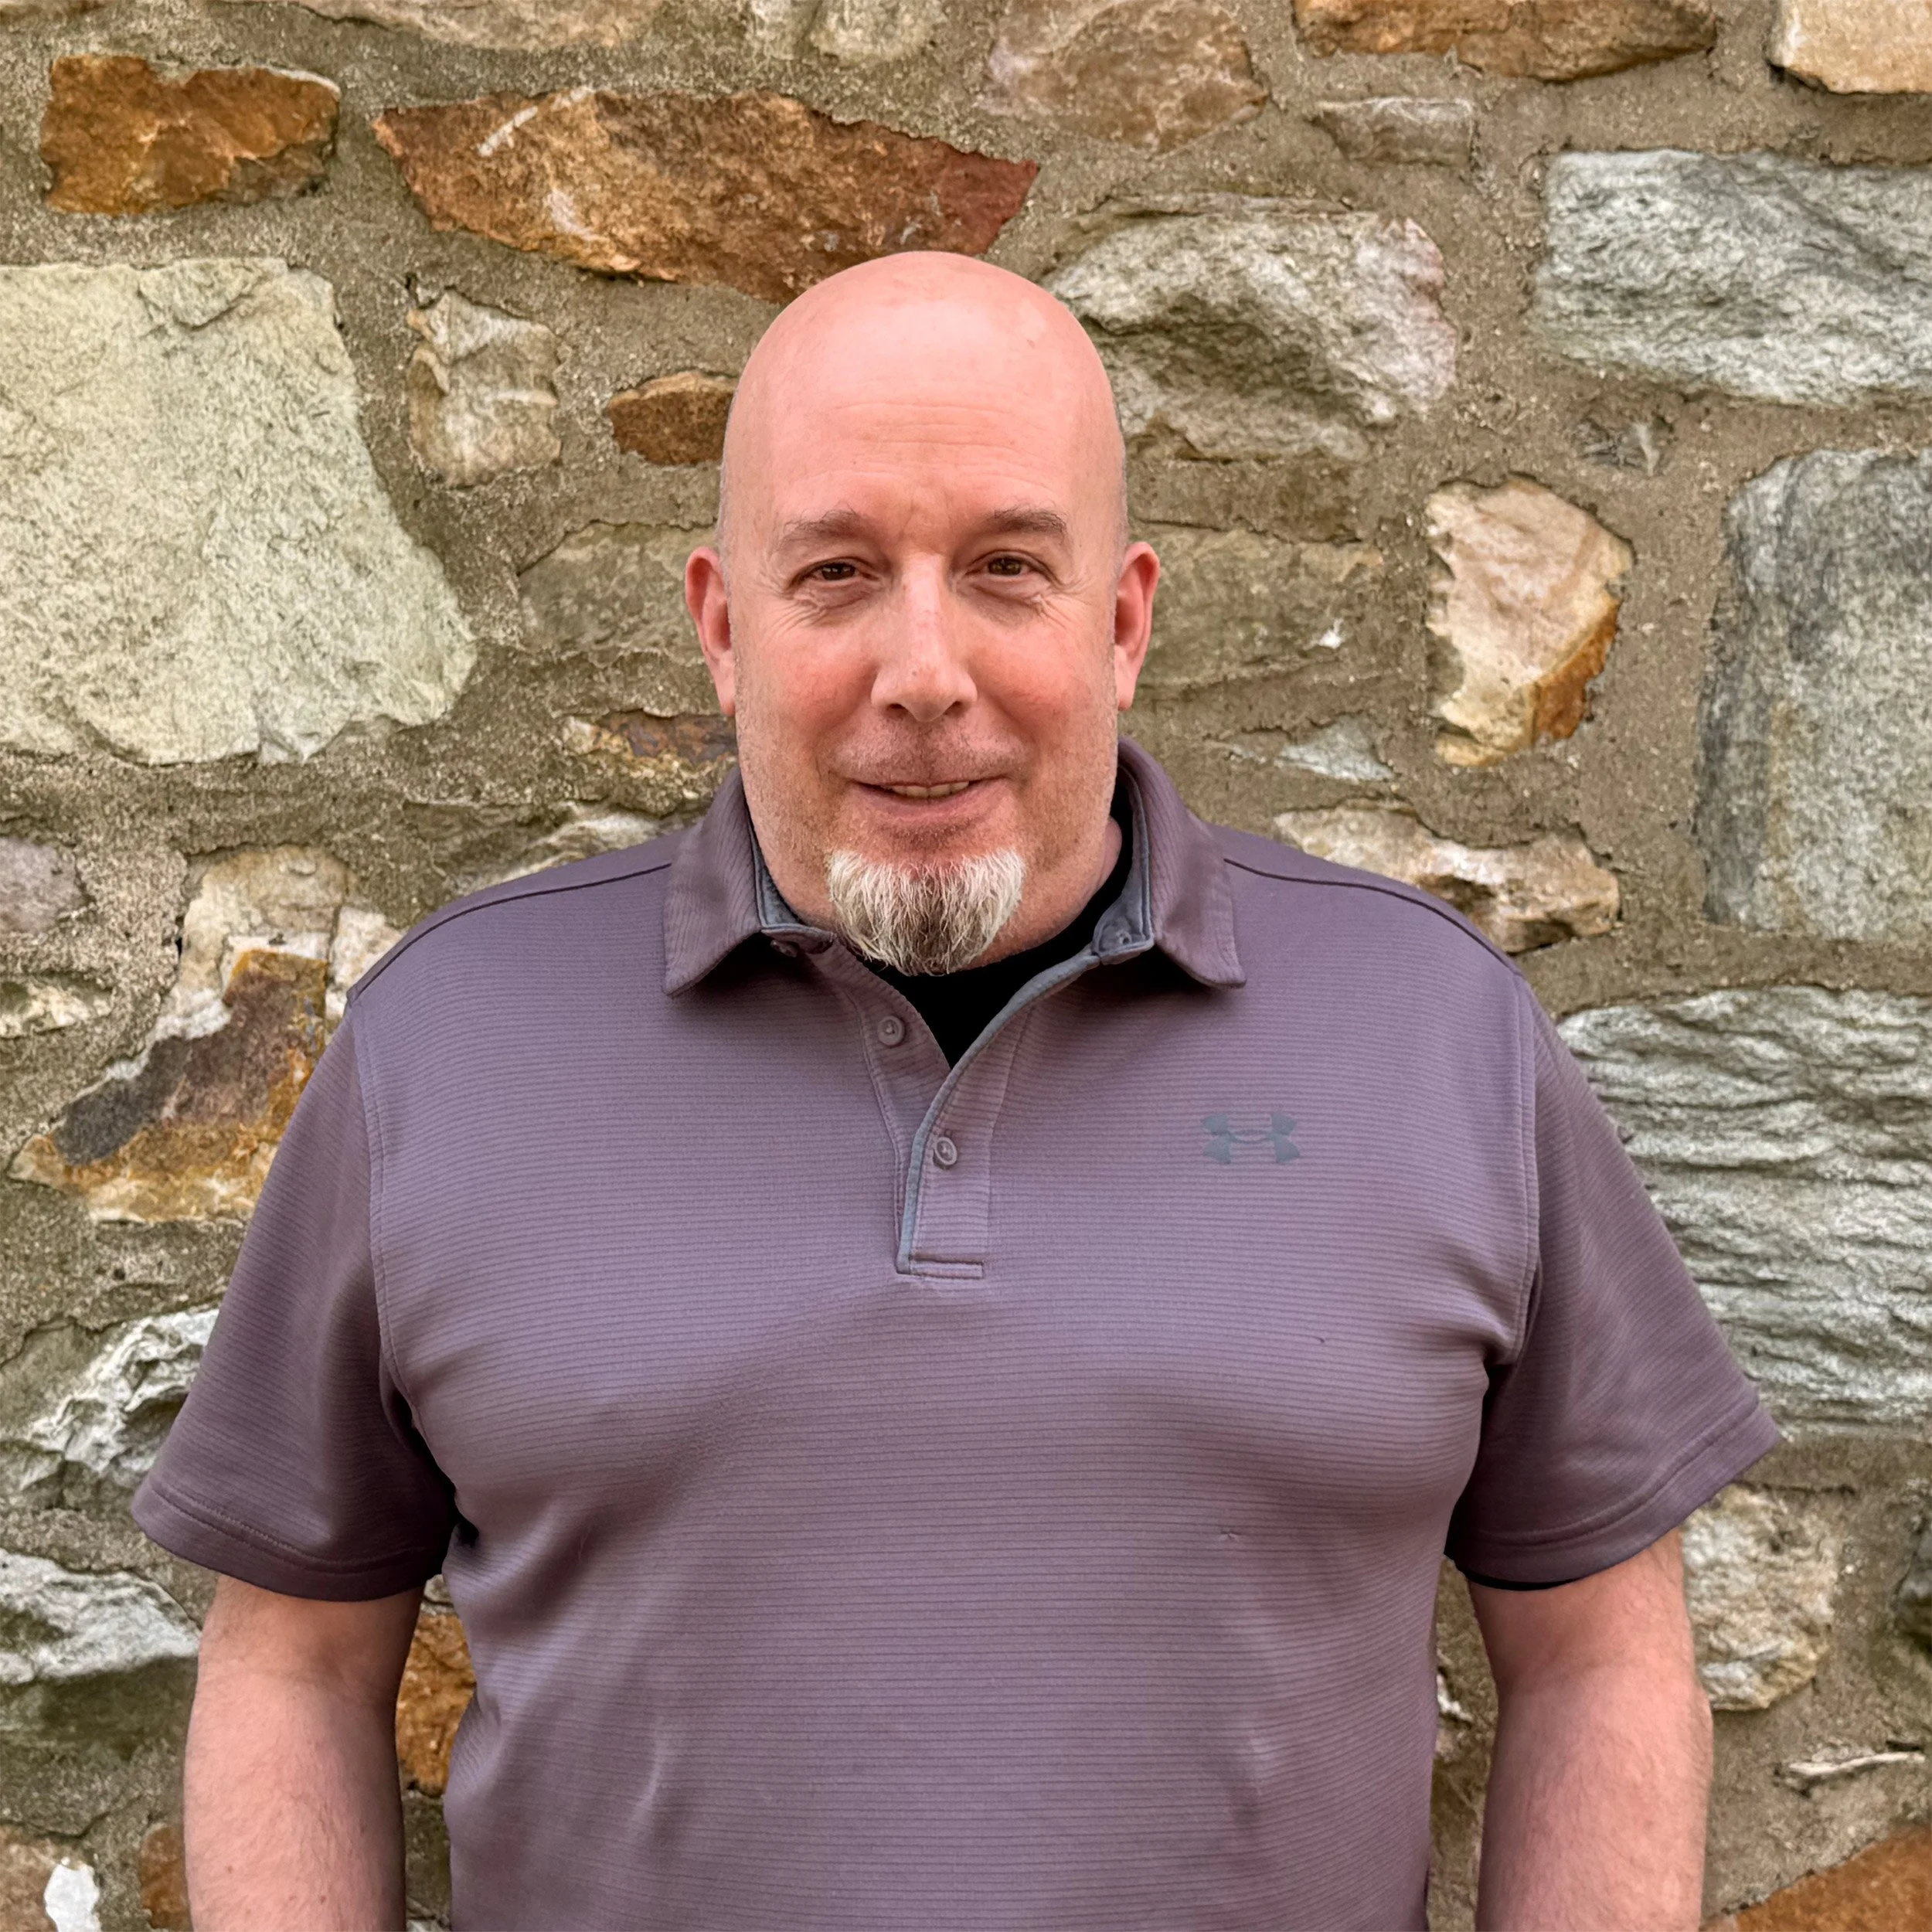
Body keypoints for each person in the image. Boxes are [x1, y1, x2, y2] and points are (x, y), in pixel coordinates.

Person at [136, 251, 1776, 1932]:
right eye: (838, 572)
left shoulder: (1432, 1034)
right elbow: (291, 1660)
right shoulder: (449, 1043)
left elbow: (1601, 1656)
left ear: (1122, 619)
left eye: (1003, 568)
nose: (923, 670)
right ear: (721, 626)